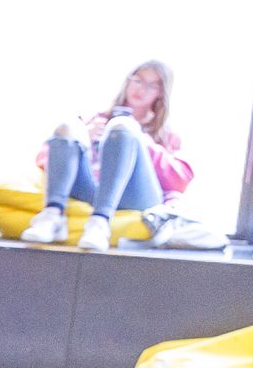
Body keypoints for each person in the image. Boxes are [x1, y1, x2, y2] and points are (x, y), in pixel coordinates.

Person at [20, 59, 206, 252]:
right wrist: (87, 137)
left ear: (161, 93)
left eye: (152, 85)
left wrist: (139, 141)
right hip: (92, 190)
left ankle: (100, 223)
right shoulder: (96, 119)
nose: (141, 89)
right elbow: (43, 159)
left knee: (123, 127)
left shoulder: (165, 134)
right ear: (128, 81)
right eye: (138, 80)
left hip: (137, 198)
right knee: (68, 128)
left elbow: (180, 179)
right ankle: (52, 215)